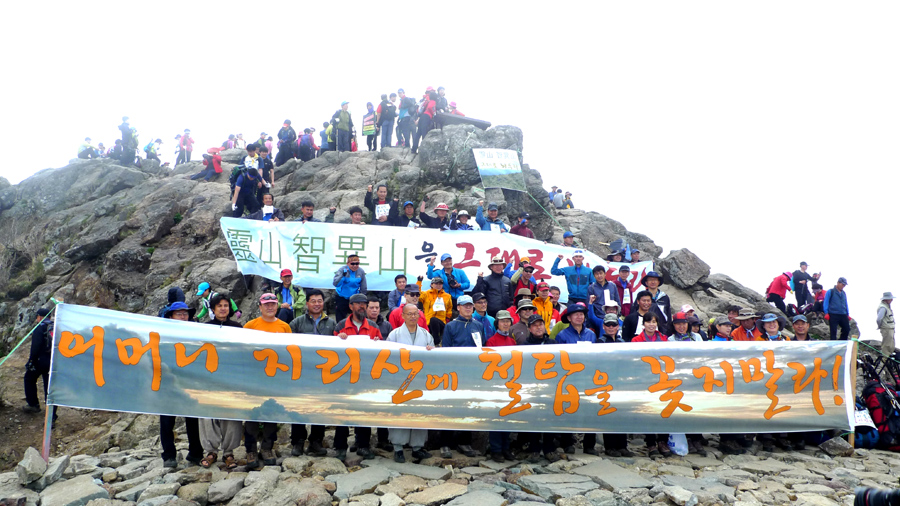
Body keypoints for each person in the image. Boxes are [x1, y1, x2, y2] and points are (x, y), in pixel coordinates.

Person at [242, 293, 291, 467]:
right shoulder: (250, 325)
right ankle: (250, 450)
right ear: (260, 307)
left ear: (277, 306)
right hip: (254, 378)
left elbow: (289, 351)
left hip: (275, 377)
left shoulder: (285, 327)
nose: (270, 307)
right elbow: (242, 349)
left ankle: (267, 447)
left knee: (271, 413)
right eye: (266, 304)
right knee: (252, 414)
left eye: (273, 304)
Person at [332, 293, 382, 461]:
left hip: (366, 376)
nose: (362, 307)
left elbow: (382, 352)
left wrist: (377, 342)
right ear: (351, 307)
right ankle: (340, 447)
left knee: (364, 411)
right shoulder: (340, 326)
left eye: (364, 304)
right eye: (358, 304)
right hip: (344, 376)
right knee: (342, 411)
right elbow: (330, 352)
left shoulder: (374, 326)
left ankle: (363, 445)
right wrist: (338, 340)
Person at [157, 301, 204, 468]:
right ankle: (169, 455)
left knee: (192, 418)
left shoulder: (195, 334)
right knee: (167, 420)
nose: (183, 317)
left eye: (185, 314)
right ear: (170, 316)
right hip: (168, 383)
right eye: (179, 314)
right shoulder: (162, 335)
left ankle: (196, 453)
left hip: (189, 381)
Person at [386, 304, 435, 463]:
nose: (413, 317)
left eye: (415, 314)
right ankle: (398, 448)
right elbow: (387, 355)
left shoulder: (426, 334)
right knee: (399, 413)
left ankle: (417, 447)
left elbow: (434, 355)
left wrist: (430, 350)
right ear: (403, 315)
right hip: (400, 379)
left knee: (419, 412)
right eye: (409, 314)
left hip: (420, 379)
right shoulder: (395, 334)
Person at [199, 295, 244, 469]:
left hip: (231, 377)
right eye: (219, 306)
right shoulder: (204, 329)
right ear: (213, 308)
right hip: (209, 377)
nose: (223, 308)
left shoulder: (237, 327)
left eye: (226, 305)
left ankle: (229, 453)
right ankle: (210, 451)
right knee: (207, 414)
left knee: (231, 414)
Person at [439, 295, 481, 458]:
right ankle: (445, 443)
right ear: (458, 307)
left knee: (468, 407)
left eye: (470, 305)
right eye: (465, 305)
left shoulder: (478, 325)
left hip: (472, 374)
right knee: (449, 408)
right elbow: (446, 350)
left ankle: (464, 442)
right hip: (453, 373)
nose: (468, 308)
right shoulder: (450, 326)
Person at [484, 310, 517, 462]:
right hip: (496, 384)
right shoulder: (491, 341)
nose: (505, 324)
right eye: (503, 321)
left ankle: (506, 448)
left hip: (510, 384)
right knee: (496, 417)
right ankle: (496, 449)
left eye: (508, 321)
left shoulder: (512, 341)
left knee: (508, 417)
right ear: (497, 323)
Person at [22, 308, 57, 420]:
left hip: (39, 361)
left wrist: (31, 361)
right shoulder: (55, 327)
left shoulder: (39, 328)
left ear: (40, 317)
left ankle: (33, 405)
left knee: (29, 378)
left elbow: (35, 347)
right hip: (52, 361)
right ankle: (51, 416)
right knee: (49, 388)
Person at [231, 144, 263, 217]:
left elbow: (260, 172)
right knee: (240, 207)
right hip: (242, 186)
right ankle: (235, 220)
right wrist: (233, 203)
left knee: (256, 205)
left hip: (251, 186)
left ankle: (252, 217)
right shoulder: (245, 159)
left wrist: (260, 181)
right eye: (248, 151)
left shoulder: (259, 159)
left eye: (251, 151)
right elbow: (237, 190)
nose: (250, 153)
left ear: (255, 151)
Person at [333, 254, 367, 322]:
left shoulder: (361, 271)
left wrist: (362, 297)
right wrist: (343, 276)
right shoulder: (342, 270)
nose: (355, 266)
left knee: (357, 316)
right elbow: (335, 283)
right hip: (341, 297)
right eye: (352, 264)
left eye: (357, 263)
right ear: (348, 263)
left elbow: (363, 286)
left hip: (354, 298)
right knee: (340, 319)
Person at [420, 276, 452, 345]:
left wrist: (448, 318)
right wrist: (419, 282)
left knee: (434, 320)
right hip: (428, 322)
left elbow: (449, 308)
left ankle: (436, 340)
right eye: (436, 284)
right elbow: (417, 296)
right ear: (431, 284)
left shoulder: (447, 296)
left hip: (441, 322)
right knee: (432, 320)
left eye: (440, 284)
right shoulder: (426, 294)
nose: (438, 285)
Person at [637, 271, 672, 335]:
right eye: (650, 280)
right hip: (645, 329)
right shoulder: (642, 296)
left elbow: (668, 315)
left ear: (658, 282)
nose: (653, 282)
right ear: (646, 282)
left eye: (655, 280)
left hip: (662, 330)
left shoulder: (664, 297)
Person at [412, 88, 437, 154]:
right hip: (427, 117)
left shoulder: (426, 100)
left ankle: (413, 149)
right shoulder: (433, 101)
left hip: (422, 116)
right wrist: (434, 113)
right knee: (424, 133)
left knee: (418, 133)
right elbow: (430, 107)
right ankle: (423, 150)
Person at [878, 292, 896, 356]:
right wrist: (881, 326)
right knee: (887, 346)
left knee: (891, 345)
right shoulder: (883, 307)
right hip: (887, 328)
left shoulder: (886, 307)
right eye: (890, 299)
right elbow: (879, 319)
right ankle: (884, 361)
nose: (891, 300)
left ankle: (887, 361)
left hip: (889, 328)